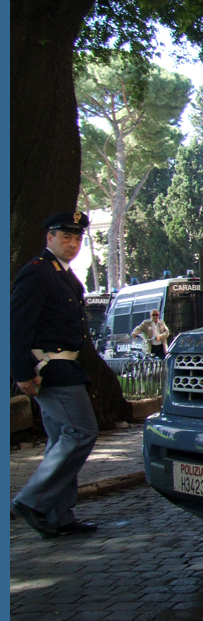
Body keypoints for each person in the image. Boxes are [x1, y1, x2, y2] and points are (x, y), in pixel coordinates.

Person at [10, 211, 99, 538]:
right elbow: (17, 325)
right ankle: (32, 499)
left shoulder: (64, 276)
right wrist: (21, 371)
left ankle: (57, 514)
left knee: (62, 439)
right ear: (49, 238)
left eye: (77, 238)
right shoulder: (37, 273)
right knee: (82, 432)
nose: (73, 244)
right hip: (48, 370)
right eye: (66, 237)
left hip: (65, 367)